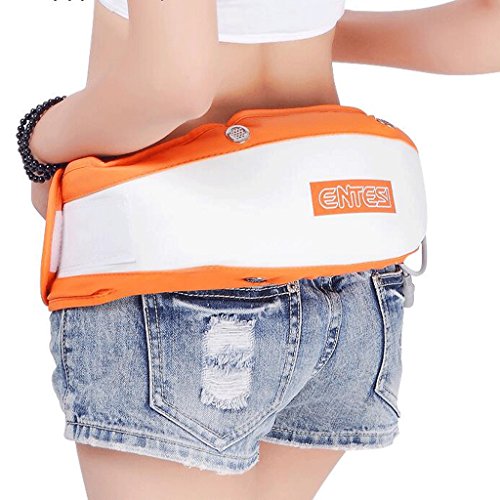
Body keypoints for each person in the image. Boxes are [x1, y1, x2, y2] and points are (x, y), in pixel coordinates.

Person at [24, 1, 500, 499]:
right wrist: (308, 25)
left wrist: (40, 144)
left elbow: (172, 85)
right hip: (352, 271)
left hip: (184, 274)